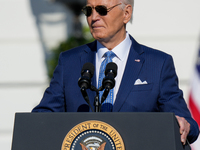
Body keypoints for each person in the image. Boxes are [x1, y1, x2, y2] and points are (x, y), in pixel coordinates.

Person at [32, 0, 199, 145]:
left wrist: (183, 124)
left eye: (102, 10)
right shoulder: (69, 62)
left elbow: (185, 121)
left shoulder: (158, 63)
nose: (94, 17)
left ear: (126, 13)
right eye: (89, 10)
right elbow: (43, 117)